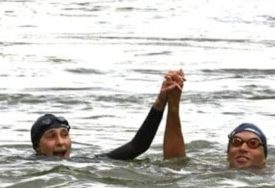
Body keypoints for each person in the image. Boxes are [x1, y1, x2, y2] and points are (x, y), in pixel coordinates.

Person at [30, 69, 186, 161]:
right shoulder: (23, 165)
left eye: (64, 135)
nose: (60, 142)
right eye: (51, 136)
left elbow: (137, 146)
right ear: (37, 147)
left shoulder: (85, 162)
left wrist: (161, 101)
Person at [162, 82, 268, 170]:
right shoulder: (214, 171)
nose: (243, 148)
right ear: (227, 155)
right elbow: (175, 163)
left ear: (264, 157)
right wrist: (173, 105)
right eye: (236, 142)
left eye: (253, 143)